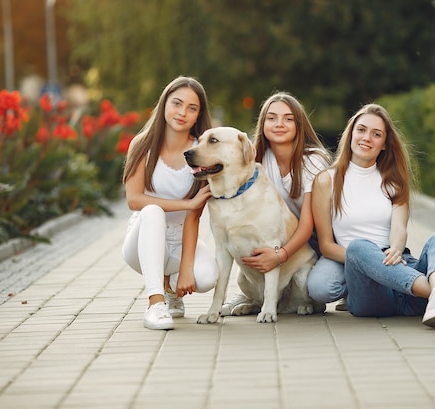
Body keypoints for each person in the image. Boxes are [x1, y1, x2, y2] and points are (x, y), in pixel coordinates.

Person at [306, 103, 435, 328]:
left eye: (376, 134)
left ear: (384, 145)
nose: (367, 138)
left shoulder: (393, 181)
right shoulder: (325, 180)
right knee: (359, 247)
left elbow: (399, 228)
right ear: (351, 134)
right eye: (361, 130)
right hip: (369, 292)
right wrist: (369, 261)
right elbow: (326, 245)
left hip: (401, 274)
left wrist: (397, 249)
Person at [221, 91, 332, 315]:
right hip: (282, 234)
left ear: (299, 125)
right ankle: (253, 294)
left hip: (318, 238)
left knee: (320, 287)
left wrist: (280, 255)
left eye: (288, 119)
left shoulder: (313, 160)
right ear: (263, 124)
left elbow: (308, 224)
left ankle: (343, 282)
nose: (279, 124)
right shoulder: (259, 159)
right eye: (271, 118)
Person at [121, 76, 219, 330]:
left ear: (198, 116)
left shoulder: (201, 152)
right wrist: (187, 205)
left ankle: (171, 288)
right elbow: (134, 200)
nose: (182, 113)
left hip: (181, 238)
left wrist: (186, 269)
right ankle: (155, 303)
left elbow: (195, 217)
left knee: (207, 277)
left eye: (192, 108)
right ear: (164, 104)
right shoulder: (142, 145)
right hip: (143, 236)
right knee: (152, 210)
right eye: (177, 103)